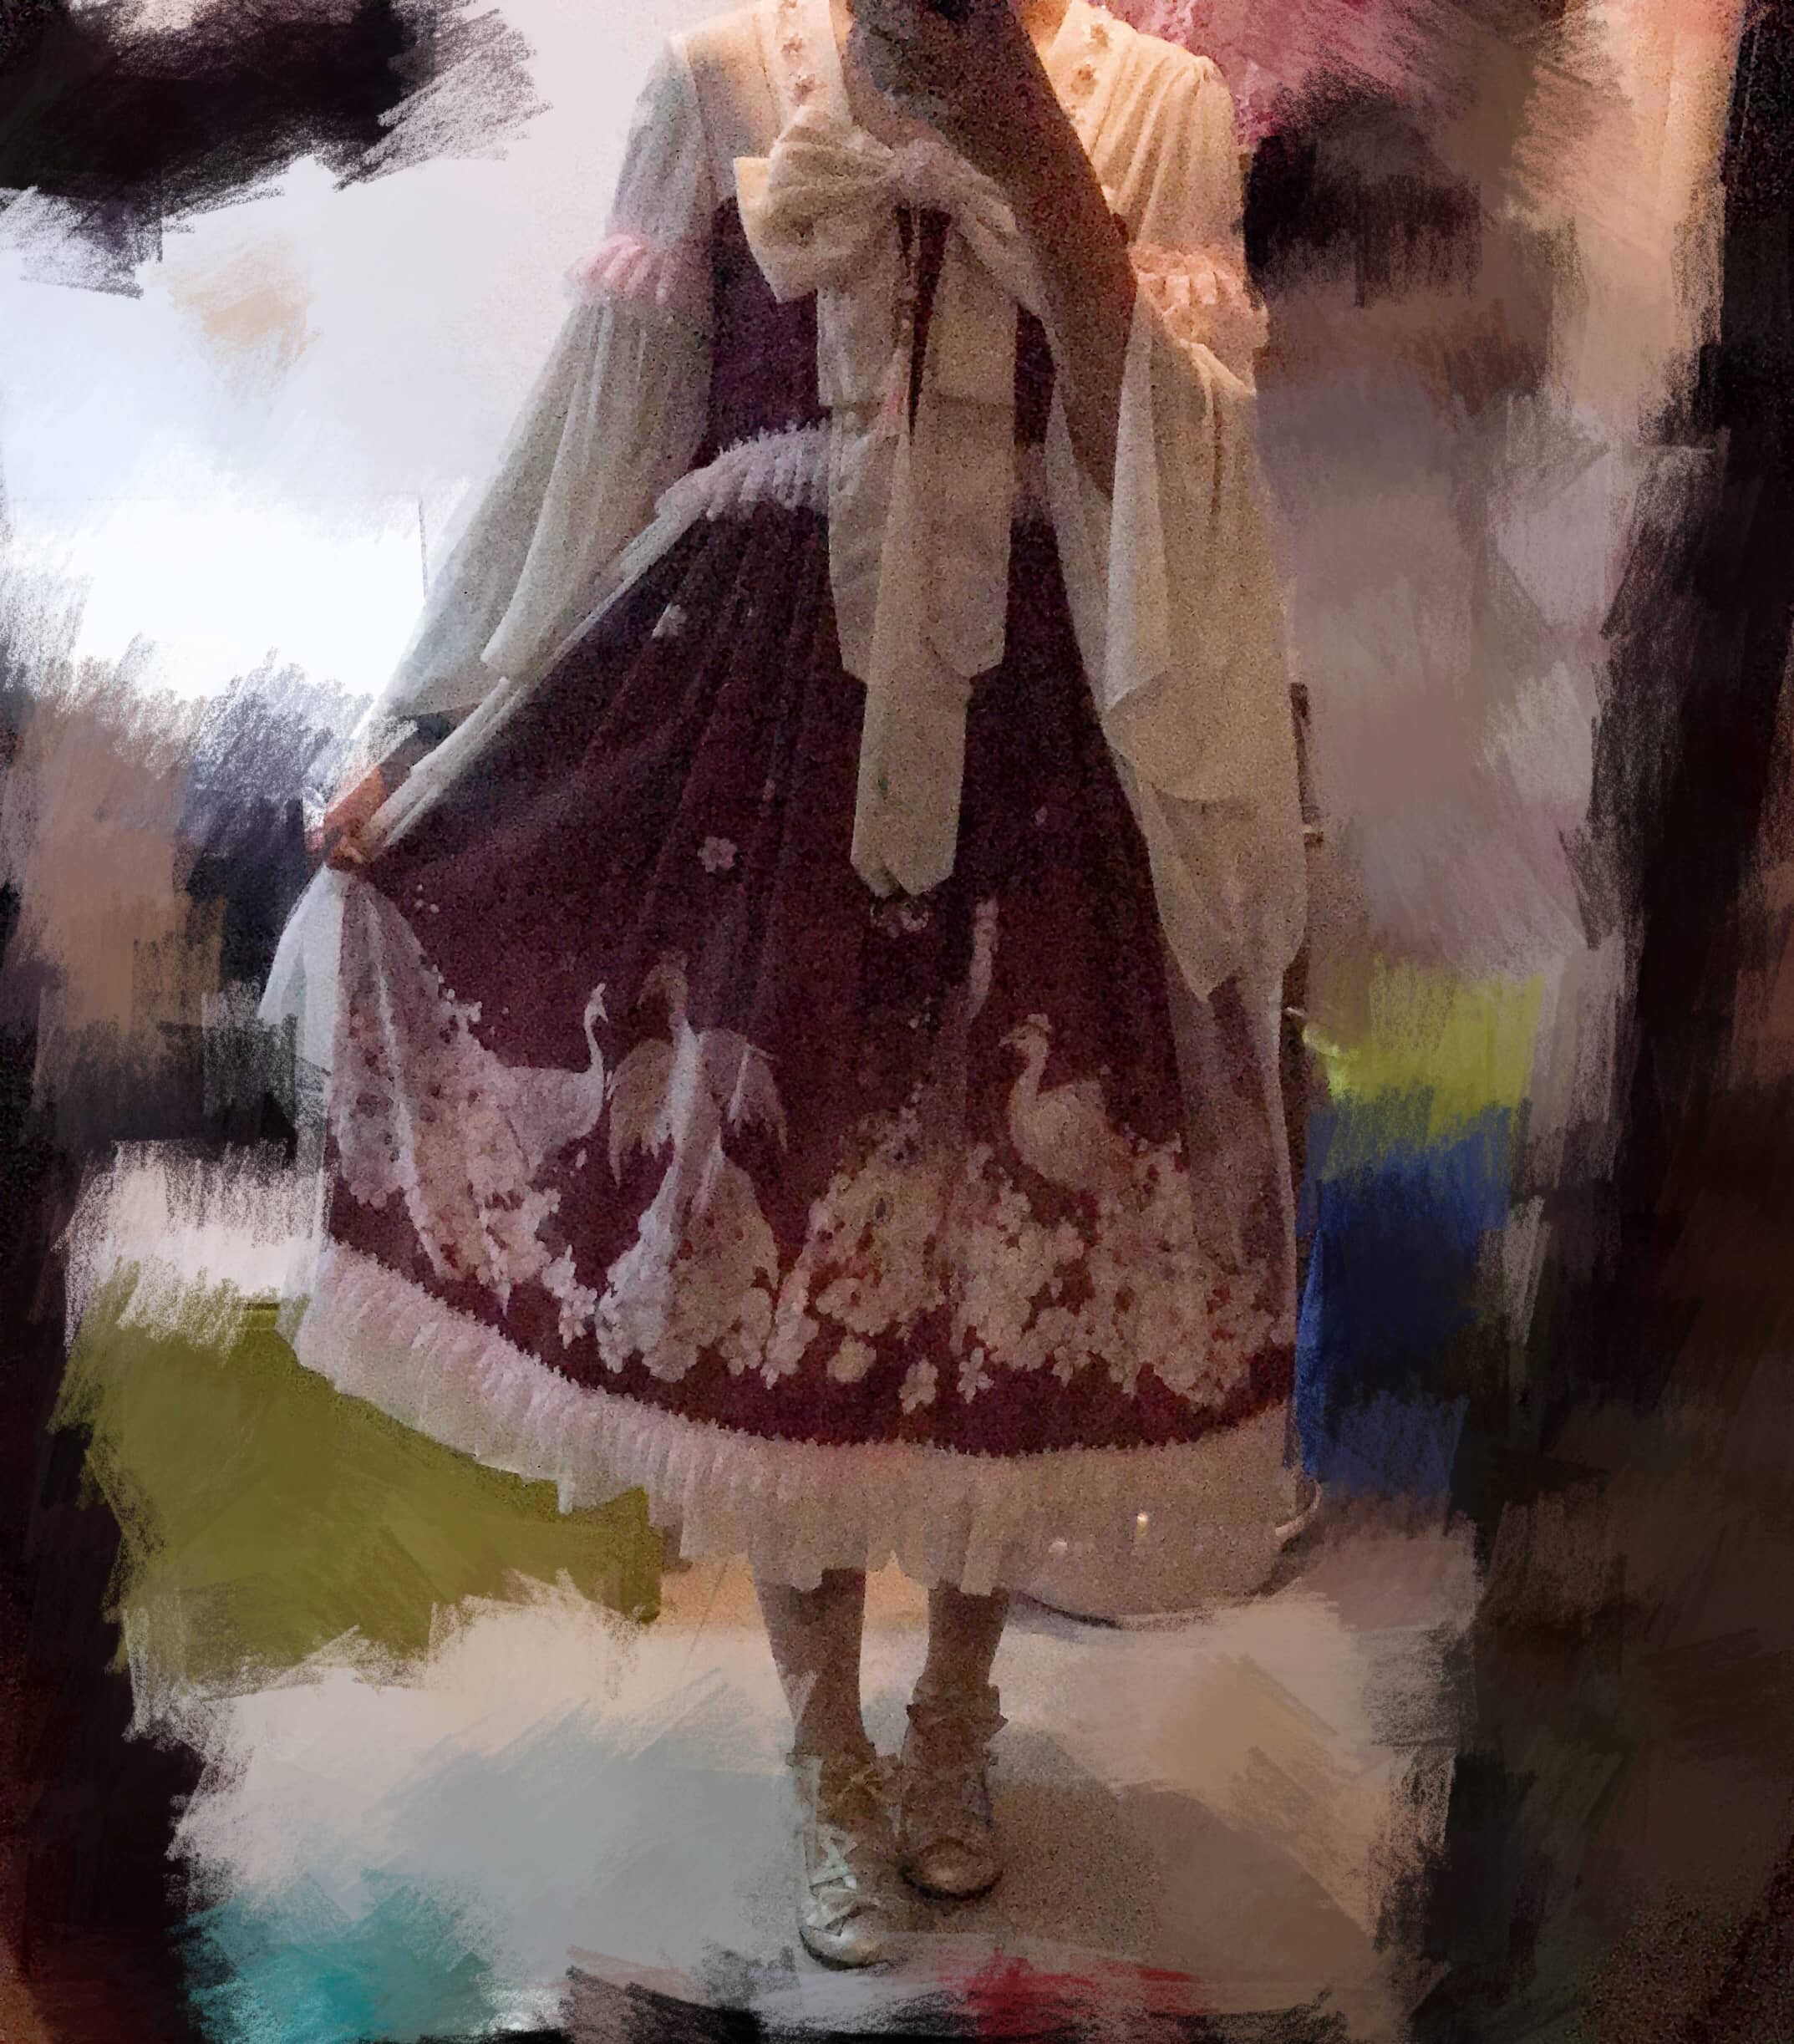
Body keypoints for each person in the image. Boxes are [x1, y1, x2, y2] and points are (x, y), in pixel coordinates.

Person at [265, 0, 1305, 1969]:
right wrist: (430, 725)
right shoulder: (720, 79)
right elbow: (598, 440)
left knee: (996, 1240)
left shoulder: (1161, 110)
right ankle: (828, 1747)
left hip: (1043, 746)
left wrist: (1041, 164)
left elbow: (1168, 472)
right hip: (751, 751)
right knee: (777, 1242)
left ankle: (958, 1715)